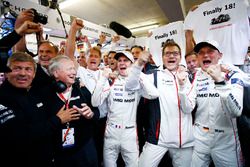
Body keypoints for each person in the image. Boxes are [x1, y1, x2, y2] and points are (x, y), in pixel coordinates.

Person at [0, 52, 74, 167]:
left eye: (28, 69)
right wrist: (57, 120)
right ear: (6, 72)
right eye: (17, 68)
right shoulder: (2, 99)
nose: (23, 73)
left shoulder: (32, 95)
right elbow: (19, 136)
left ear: (34, 74)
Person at [126, 41, 194, 167]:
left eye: (175, 53)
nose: (171, 56)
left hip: (184, 142)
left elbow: (188, 108)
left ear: (180, 57)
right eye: (167, 53)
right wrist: (139, 64)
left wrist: (183, 85)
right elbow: (130, 86)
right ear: (162, 57)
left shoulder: (189, 77)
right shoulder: (154, 75)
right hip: (158, 139)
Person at [181, 40, 244, 166]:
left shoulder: (232, 74)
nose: (205, 55)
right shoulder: (196, 76)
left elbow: (236, 111)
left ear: (220, 55)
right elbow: (188, 108)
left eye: (210, 51)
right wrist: (182, 88)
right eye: (201, 52)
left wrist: (220, 81)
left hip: (225, 140)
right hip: (200, 138)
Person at [92, 51, 159, 167]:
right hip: (111, 133)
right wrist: (103, 78)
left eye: (126, 61)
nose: (122, 63)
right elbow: (95, 102)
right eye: (120, 60)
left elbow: (154, 94)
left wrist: (137, 71)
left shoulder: (137, 82)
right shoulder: (111, 80)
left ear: (132, 64)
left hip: (130, 133)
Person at [42, 55, 100, 167]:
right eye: (69, 69)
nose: (73, 72)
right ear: (56, 73)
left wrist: (91, 115)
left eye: (74, 68)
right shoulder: (45, 94)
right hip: (58, 151)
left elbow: (96, 113)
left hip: (84, 147)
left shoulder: (82, 90)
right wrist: (58, 119)